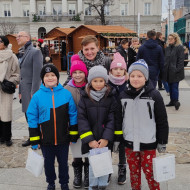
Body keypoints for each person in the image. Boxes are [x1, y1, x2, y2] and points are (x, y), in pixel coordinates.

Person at [115, 59, 169, 190]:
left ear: (146, 77)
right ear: (128, 77)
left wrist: (162, 141)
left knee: (151, 173)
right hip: (129, 142)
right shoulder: (123, 96)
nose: (135, 79)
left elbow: (162, 120)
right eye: (132, 76)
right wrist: (117, 139)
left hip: (148, 143)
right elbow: (118, 119)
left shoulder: (154, 95)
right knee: (134, 173)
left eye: (139, 76)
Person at [27, 64, 78, 190]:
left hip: (63, 139)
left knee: (63, 164)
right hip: (46, 140)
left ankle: (64, 182)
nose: (50, 78)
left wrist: (73, 134)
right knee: (48, 164)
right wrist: (34, 139)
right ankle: (51, 182)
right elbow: (32, 118)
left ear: (57, 77)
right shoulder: (37, 96)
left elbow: (73, 114)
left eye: (53, 75)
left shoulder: (66, 94)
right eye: (46, 76)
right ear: (42, 79)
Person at [77, 65, 116, 190]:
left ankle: (103, 184)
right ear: (90, 82)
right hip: (92, 140)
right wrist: (89, 139)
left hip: (104, 140)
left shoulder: (110, 98)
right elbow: (81, 120)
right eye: (95, 81)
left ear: (105, 81)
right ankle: (93, 185)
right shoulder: (84, 98)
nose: (98, 84)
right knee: (92, 165)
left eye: (101, 81)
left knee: (104, 164)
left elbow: (112, 119)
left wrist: (106, 138)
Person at [64, 54, 89, 189]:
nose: (78, 75)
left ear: (85, 74)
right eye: (75, 72)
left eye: (81, 72)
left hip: (88, 125)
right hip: (73, 125)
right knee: (76, 152)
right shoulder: (67, 89)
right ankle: (78, 174)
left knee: (88, 152)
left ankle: (87, 174)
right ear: (71, 74)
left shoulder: (90, 87)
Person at [16, 31, 43, 147]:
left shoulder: (35, 52)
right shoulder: (23, 51)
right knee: (28, 115)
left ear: (27, 38)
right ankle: (33, 137)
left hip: (32, 90)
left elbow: (37, 75)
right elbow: (22, 74)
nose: (17, 38)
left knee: (32, 115)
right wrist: (20, 91)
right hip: (25, 89)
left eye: (19, 36)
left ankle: (37, 138)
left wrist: (34, 92)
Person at [108, 52, 127, 185]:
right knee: (108, 145)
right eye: (116, 69)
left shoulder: (128, 84)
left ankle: (122, 168)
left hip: (124, 121)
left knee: (122, 147)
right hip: (109, 120)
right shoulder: (107, 84)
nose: (118, 72)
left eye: (121, 69)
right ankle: (107, 169)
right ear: (111, 70)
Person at [0, 36, 20, 146]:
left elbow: (17, 73)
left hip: (5, 88)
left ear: (5, 43)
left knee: (6, 113)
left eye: (0, 41)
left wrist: (10, 82)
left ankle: (7, 137)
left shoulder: (11, 56)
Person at [162, 33, 184, 110]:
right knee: (170, 87)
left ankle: (176, 102)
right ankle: (172, 101)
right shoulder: (167, 48)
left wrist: (177, 69)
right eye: (169, 38)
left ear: (175, 39)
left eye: (171, 39)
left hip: (175, 71)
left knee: (174, 87)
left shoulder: (179, 47)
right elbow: (165, 59)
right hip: (168, 71)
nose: (169, 40)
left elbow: (181, 60)